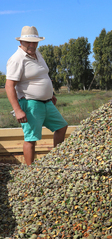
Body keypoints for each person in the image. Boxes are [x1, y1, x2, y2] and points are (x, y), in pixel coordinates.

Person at [5, 26, 68, 166]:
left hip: (46, 102)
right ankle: (30, 171)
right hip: (30, 103)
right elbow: (9, 85)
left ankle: (57, 160)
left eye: (35, 42)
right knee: (31, 138)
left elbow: (42, 75)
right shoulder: (17, 59)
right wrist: (17, 109)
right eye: (29, 42)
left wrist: (50, 93)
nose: (32, 45)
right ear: (21, 42)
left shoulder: (37, 54)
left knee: (62, 126)